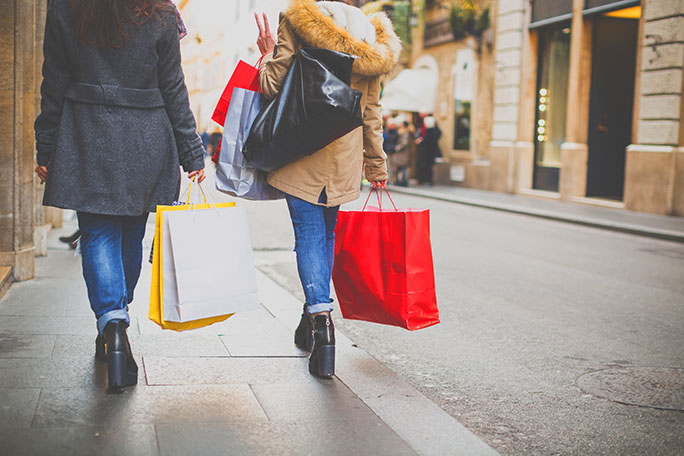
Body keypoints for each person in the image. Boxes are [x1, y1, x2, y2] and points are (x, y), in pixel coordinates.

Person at [34, 0, 206, 390]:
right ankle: (117, 316)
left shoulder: (65, 8)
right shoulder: (160, 13)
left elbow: (54, 80)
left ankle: (112, 320)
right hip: (147, 135)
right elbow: (173, 86)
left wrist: (46, 146)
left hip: (87, 131)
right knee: (132, 232)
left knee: (97, 233)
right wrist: (191, 151)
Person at [255, 0, 400, 378]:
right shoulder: (371, 38)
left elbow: (271, 85)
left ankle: (321, 322)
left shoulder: (298, 21)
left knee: (307, 237)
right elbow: (371, 110)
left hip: (301, 149)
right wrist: (376, 163)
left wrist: (266, 52)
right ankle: (312, 320)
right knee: (325, 236)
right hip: (345, 156)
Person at [416, 115, 441, 186]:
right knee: (429, 167)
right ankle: (429, 181)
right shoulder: (435, 130)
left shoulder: (430, 131)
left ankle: (429, 181)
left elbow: (427, 141)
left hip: (428, 152)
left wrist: (421, 141)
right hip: (431, 152)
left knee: (428, 167)